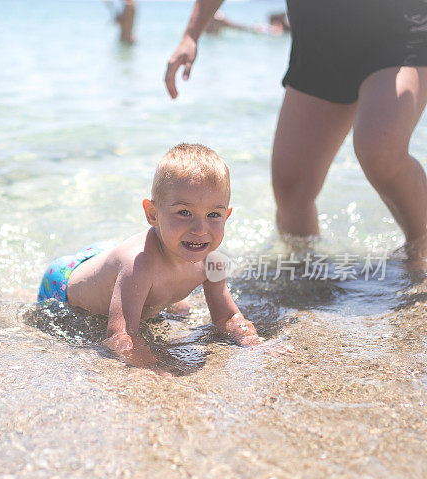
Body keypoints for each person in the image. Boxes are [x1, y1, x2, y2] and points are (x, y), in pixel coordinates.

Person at [165, 0, 427, 269]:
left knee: (378, 149)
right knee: (292, 189)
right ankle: (308, 275)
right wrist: (191, 34)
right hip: (319, 43)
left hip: (396, 31)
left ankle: (421, 251)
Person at [37, 144, 261, 367]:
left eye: (214, 214)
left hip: (109, 259)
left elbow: (226, 317)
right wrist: (148, 367)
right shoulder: (139, 266)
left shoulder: (212, 261)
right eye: (184, 212)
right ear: (153, 214)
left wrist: (254, 343)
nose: (200, 229)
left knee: (181, 309)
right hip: (63, 282)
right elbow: (119, 335)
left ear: (227, 215)